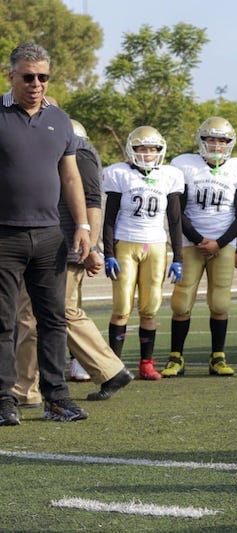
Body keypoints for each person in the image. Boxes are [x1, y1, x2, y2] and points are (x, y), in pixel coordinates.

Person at [0, 43, 92, 426]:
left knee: (52, 320)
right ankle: (4, 400)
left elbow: (70, 176)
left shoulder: (60, 120)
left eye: (42, 77)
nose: (36, 84)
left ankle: (57, 399)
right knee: (3, 322)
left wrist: (84, 226)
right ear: (11, 77)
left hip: (50, 236)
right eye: (28, 76)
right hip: (4, 237)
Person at [13, 119, 134, 405]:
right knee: (34, 316)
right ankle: (28, 387)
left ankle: (28, 389)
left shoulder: (79, 153)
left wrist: (91, 247)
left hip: (64, 247)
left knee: (50, 314)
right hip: (46, 245)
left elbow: (92, 201)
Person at [161, 117, 237, 377]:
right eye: (211, 139)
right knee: (181, 303)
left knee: (220, 302)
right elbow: (177, 210)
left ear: (230, 143)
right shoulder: (184, 165)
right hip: (193, 243)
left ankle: (218, 357)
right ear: (201, 141)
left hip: (222, 244)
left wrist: (222, 243)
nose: (216, 145)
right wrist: (198, 238)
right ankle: (176, 357)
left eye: (222, 140)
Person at [103, 126, 184, 380]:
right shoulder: (120, 174)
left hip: (156, 246)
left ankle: (146, 364)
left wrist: (179, 258)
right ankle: (113, 366)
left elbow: (175, 220)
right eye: (141, 148)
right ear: (131, 149)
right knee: (122, 307)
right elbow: (109, 218)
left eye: (152, 149)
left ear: (160, 151)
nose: (147, 153)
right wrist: (108, 252)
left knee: (150, 308)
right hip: (126, 243)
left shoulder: (169, 175)